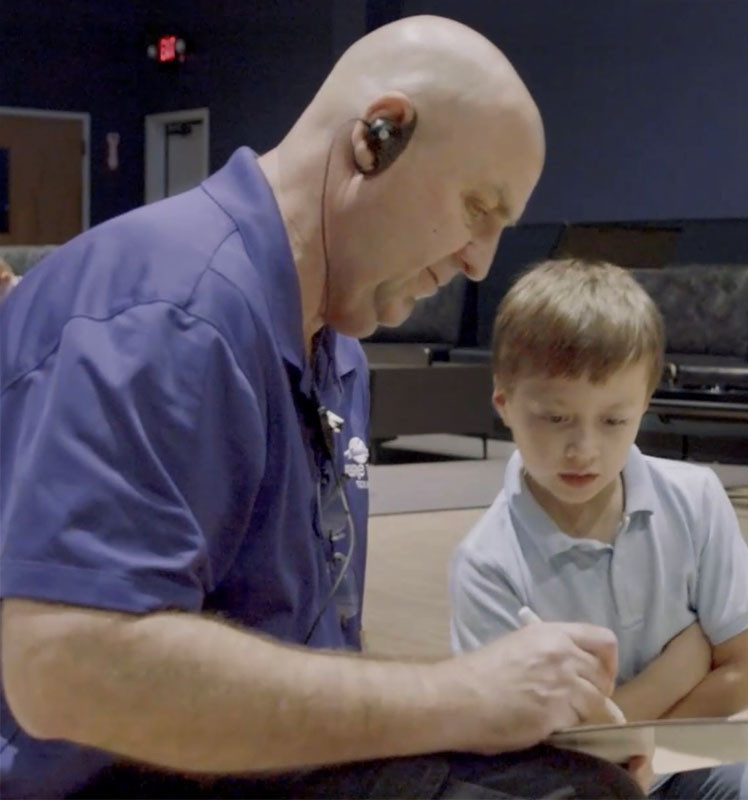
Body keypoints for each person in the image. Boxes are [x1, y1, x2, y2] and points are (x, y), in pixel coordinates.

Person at [0, 16, 645, 800]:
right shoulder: (169, 313)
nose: (480, 262)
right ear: (377, 138)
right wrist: (461, 695)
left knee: (580, 778)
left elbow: (292, 645)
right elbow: (67, 671)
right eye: (478, 207)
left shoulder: (337, 349)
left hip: (255, 767)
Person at [449, 258, 748, 798]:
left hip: (668, 773)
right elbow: (529, 747)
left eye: (614, 420)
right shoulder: (486, 564)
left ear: (644, 404)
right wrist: (676, 671)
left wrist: (623, 737)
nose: (584, 449)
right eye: (555, 417)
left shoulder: (695, 499)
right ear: (505, 404)